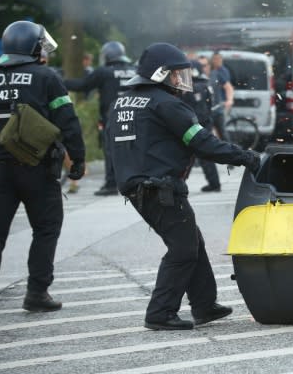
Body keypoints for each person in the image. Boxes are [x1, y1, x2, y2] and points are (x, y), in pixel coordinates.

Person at [106, 42, 260, 330]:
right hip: (160, 188)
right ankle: (160, 312)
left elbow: (111, 148)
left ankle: (204, 304)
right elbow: (202, 142)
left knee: (191, 240)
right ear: (161, 74)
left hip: (138, 187)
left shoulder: (122, 103)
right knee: (183, 249)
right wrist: (246, 157)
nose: (181, 81)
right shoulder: (167, 105)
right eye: (177, 75)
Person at [0, 21, 85, 317]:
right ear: (32, 47)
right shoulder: (45, 77)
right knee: (46, 228)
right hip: (37, 169)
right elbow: (67, 120)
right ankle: (37, 292)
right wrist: (77, 159)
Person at [63, 41, 136, 196]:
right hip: (135, 115)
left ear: (108, 55)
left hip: (113, 117)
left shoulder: (104, 71)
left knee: (111, 151)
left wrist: (58, 81)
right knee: (134, 149)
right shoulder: (134, 70)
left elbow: (83, 85)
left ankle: (111, 184)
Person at [182, 60, 221, 192]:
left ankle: (179, 184)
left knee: (186, 157)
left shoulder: (192, 87)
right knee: (205, 155)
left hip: (195, 125)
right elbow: (210, 106)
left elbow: (188, 109)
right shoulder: (206, 84)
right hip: (206, 123)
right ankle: (214, 183)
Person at [208, 52, 234, 140]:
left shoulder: (221, 71)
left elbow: (228, 86)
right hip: (212, 105)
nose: (217, 61)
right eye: (215, 59)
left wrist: (229, 100)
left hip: (220, 103)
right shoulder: (211, 71)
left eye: (219, 59)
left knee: (221, 130)